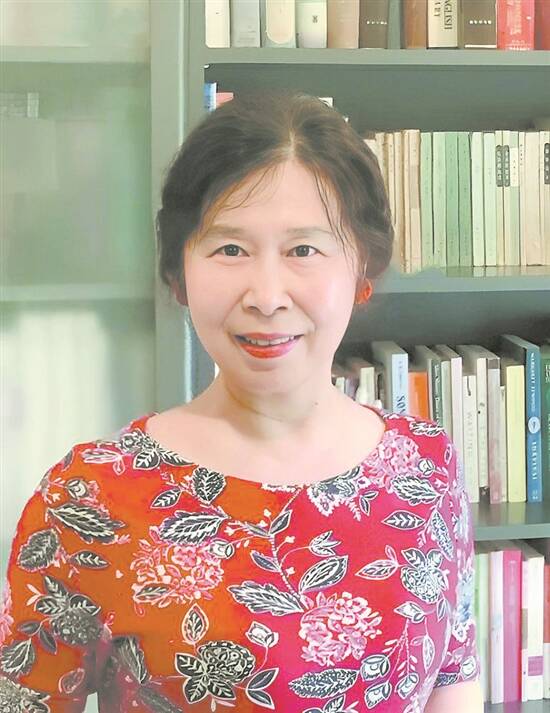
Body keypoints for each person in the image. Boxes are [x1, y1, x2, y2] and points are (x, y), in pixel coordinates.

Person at [0, 89, 482, 712]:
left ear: (361, 269)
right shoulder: (91, 496)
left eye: (304, 249)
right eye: (230, 249)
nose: (267, 296)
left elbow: (453, 677)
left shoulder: (426, 466)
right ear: (179, 272)